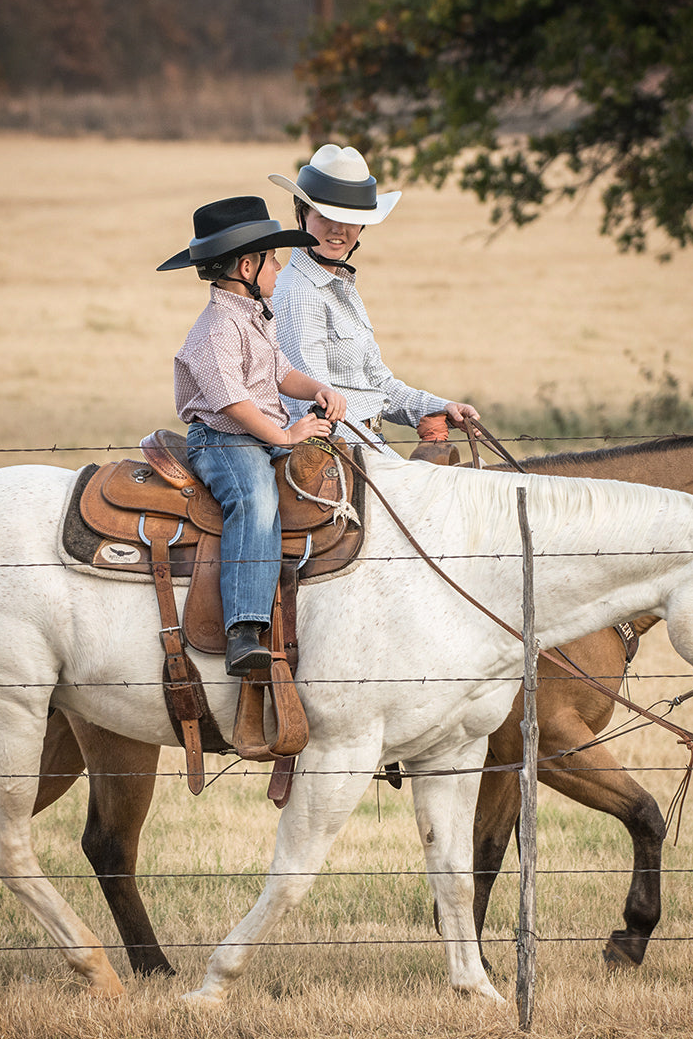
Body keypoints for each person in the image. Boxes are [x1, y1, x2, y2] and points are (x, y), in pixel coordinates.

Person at [158, 196, 347, 676]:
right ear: (248, 265)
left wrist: (322, 387)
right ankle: (243, 628)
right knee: (256, 500)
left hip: (256, 434)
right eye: (274, 259)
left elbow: (282, 374)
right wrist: (286, 437)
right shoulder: (217, 328)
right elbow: (233, 403)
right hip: (224, 440)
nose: (281, 270)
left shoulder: (254, 316)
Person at [268, 144, 480, 448]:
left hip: (364, 444)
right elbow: (316, 411)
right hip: (338, 451)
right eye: (325, 215)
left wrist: (439, 406)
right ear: (302, 214)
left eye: (351, 218)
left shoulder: (340, 287)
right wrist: (389, 461)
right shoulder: (298, 293)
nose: (338, 229)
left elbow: (379, 384)